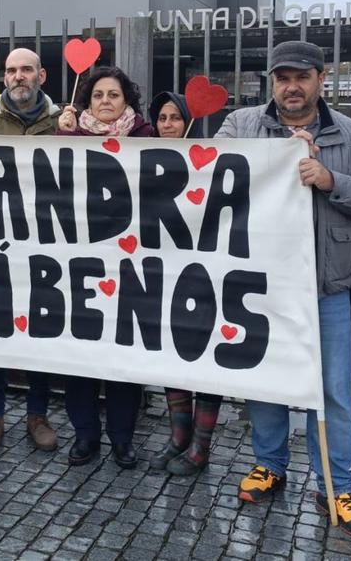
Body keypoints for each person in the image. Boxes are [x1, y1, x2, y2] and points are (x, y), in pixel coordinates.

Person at [216, 41, 351, 538]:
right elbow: (207, 175)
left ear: (320, 79)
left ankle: (336, 483)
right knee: (265, 379)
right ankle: (269, 463)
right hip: (261, 284)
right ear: (271, 82)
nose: (291, 87)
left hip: (326, 285)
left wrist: (329, 177)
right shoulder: (242, 125)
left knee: (332, 389)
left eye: (301, 77)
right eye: (281, 78)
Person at [0, 47, 62, 455]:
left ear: (41, 75)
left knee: (39, 329)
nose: (18, 76)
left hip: (46, 243)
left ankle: (37, 415)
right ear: (2, 78)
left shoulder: (62, 124)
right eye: (10, 70)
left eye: (26, 69)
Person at [57, 66, 153, 468]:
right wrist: (64, 136)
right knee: (80, 354)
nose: (106, 102)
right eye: (98, 95)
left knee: (123, 357)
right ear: (87, 100)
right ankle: (85, 434)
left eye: (114, 95)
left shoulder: (145, 139)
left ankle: (122, 438)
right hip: (78, 263)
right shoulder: (67, 138)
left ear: (126, 100)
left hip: (131, 264)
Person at [144, 91, 224, 475]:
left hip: (204, 277)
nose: (168, 125)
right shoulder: (141, 163)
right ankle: (179, 437)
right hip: (163, 277)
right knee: (172, 360)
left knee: (203, 360)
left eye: (176, 117)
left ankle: (201, 446)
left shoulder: (213, 162)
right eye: (161, 118)